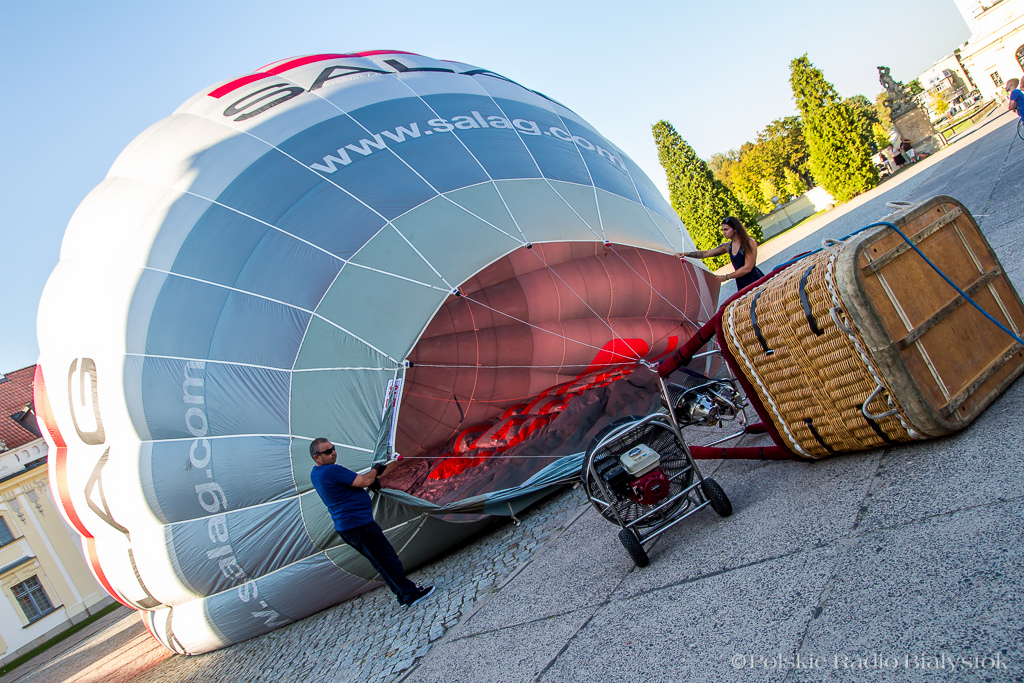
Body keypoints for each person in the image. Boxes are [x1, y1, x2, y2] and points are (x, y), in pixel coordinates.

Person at [309, 437, 434, 607]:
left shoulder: (315, 473)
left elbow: (344, 489)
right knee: (388, 559)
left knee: (380, 563)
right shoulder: (332, 471)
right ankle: (411, 595)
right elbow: (364, 481)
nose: (333, 453)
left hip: (347, 528)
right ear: (317, 457)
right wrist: (376, 470)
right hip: (359, 526)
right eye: (328, 451)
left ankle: (402, 594)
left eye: (333, 448)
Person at [681, 216, 765, 290]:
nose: (724, 232)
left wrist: (727, 277)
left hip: (756, 280)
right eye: (723, 230)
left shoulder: (749, 242)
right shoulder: (727, 246)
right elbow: (706, 253)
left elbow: (747, 268)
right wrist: (686, 254)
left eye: (726, 229)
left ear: (735, 228)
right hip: (741, 283)